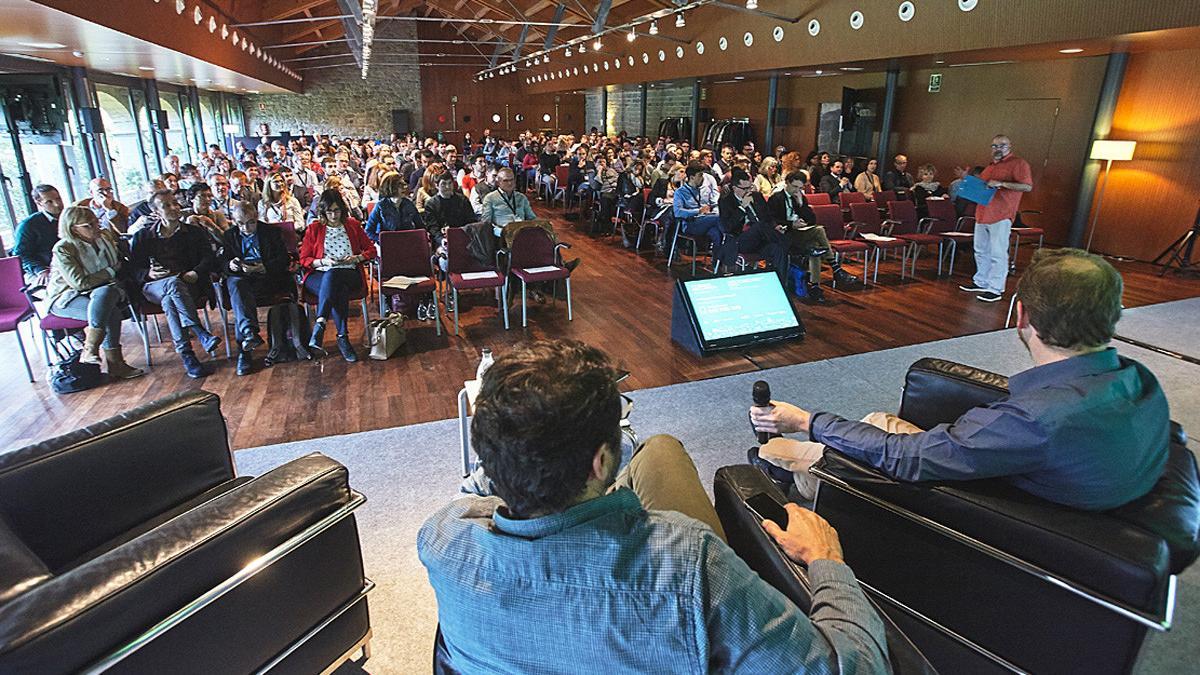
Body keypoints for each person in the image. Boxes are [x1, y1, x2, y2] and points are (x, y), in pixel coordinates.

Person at [419, 339, 889, 673]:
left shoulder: (441, 539)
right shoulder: (689, 563)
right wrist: (827, 562)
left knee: (658, 449)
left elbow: (477, 498)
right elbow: (857, 668)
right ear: (600, 462)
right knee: (660, 450)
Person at [752, 248, 1167, 510]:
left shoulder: (1034, 420)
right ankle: (812, 478)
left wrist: (806, 421)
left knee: (783, 451)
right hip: (1020, 472)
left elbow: (907, 460)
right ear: (1113, 316)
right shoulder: (1137, 379)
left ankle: (800, 482)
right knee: (878, 420)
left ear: (1020, 314)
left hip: (973, 504)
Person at [129, 189, 220, 379]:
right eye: (166, 205)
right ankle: (199, 331)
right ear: (155, 212)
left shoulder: (194, 232)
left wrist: (196, 272)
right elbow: (133, 270)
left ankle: (188, 356)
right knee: (172, 284)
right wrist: (149, 273)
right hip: (153, 287)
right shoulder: (143, 237)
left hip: (187, 283)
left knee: (171, 298)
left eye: (175, 204)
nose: (174, 208)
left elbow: (208, 258)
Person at [45, 206, 144, 379]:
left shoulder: (104, 236)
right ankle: (115, 364)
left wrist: (108, 275)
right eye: (88, 225)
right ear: (73, 229)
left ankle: (91, 349)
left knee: (105, 295)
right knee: (109, 309)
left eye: (96, 222)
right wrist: (111, 271)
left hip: (105, 291)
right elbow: (80, 283)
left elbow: (119, 266)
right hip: (67, 297)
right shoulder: (64, 248)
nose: (95, 227)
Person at [300, 189, 375, 363]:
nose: (333, 215)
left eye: (337, 210)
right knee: (335, 283)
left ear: (342, 209)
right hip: (319, 274)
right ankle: (343, 338)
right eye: (329, 211)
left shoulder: (353, 225)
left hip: (349, 272)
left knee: (334, 277)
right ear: (323, 211)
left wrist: (357, 258)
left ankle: (320, 324)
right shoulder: (314, 228)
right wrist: (323, 262)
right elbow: (304, 259)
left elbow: (370, 250)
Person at [221, 201, 294, 376]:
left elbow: (284, 259)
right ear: (234, 221)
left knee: (240, 298)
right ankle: (249, 335)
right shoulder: (229, 236)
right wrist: (231, 265)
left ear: (257, 218)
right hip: (242, 278)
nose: (245, 228)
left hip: (267, 278)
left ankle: (246, 344)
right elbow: (221, 264)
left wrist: (263, 267)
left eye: (250, 222)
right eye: (240, 223)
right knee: (238, 286)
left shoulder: (271, 232)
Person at [959, 135, 1033, 302]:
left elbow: (1027, 186)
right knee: (980, 250)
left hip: (1001, 214)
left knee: (997, 252)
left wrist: (1002, 184)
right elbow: (983, 187)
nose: (997, 148)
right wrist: (968, 180)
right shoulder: (991, 166)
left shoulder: (1018, 164)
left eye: (1002, 145)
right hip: (983, 213)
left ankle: (995, 288)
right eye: (994, 146)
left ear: (1010, 146)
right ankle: (981, 281)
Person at [768, 172, 860, 302]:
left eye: (800, 188)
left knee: (816, 243)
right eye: (795, 187)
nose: (797, 190)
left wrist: (801, 205)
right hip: (785, 235)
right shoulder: (776, 198)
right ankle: (835, 270)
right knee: (817, 237)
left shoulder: (800, 198)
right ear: (787, 183)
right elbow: (772, 221)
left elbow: (812, 219)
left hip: (801, 233)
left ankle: (816, 286)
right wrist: (791, 224)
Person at [718, 168, 790, 280]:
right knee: (759, 226)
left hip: (762, 239)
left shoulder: (757, 196)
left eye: (750, 187)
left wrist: (775, 226)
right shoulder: (726, 201)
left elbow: (768, 217)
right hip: (740, 240)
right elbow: (728, 227)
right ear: (734, 188)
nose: (748, 191)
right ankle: (791, 244)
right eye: (744, 188)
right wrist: (742, 208)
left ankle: (779, 283)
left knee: (778, 249)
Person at [10, 184, 63, 285]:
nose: (57, 204)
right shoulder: (28, 225)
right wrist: (40, 270)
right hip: (40, 270)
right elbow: (21, 255)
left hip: (64, 265)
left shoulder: (68, 218)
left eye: (58, 199)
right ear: (39, 203)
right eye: (49, 202)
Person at [365, 172, 424, 243]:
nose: (404, 187)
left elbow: (420, 226)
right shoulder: (381, 206)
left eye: (404, 185)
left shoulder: (409, 204)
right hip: (388, 244)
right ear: (391, 188)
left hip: (407, 242)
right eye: (400, 185)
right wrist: (382, 239)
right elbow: (369, 231)